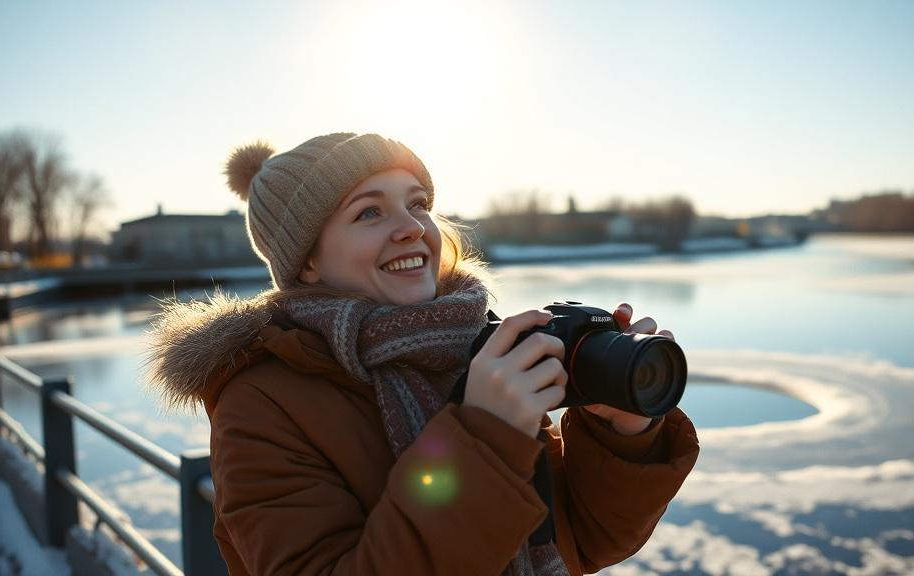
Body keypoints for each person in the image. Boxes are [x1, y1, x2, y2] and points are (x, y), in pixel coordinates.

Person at [146, 132, 699, 575]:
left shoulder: (471, 347)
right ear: (306, 262)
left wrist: (622, 433)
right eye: (369, 213)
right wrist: (483, 436)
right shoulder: (260, 403)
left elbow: (585, 543)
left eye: (419, 205)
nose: (412, 228)